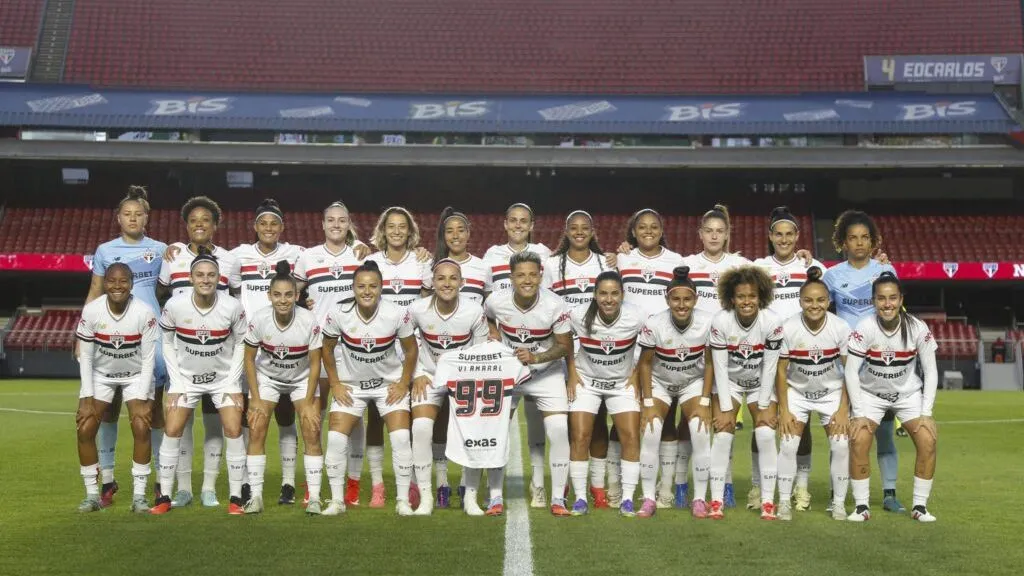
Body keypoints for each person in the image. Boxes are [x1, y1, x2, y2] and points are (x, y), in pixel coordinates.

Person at [81, 186, 167, 506]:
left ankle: (159, 480)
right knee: (107, 410)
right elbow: (94, 292)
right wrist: (82, 333)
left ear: (147, 218)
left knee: (151, 411)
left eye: (138, 214)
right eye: (127, 214)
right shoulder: (105, 250)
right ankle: (107, 479)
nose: (133, 218)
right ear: (118, 218)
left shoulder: (161, 250)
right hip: (109, 337)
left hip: (149, 338)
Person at [157, 196, 241, 509]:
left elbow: (235, 296)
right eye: (193, 221)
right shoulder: (173, 254)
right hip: (182, 355)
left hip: (218, 353)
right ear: (186, 226)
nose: (199, 225)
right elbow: (162, 292)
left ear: (215, 225)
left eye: (206, 220)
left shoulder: (229, 259)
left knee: (214, 422)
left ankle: (208, 487)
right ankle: (182, 487)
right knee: (182, 420)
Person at [320, 261, 419, 516]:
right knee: (335, 439)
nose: (367, 291)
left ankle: (402, 501)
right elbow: (327, 349)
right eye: (361, 286)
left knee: (400, 439)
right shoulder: (339, 313)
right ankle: (337, 501)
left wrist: (403, 382)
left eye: (373, 286)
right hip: (352, 386)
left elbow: (411, 349)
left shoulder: (396, 313)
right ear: (352, 288)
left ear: (381, 287)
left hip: (388, 386)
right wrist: (335, 383)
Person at [822, 210, 904, 514]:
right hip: (843, 367)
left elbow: (895, 311)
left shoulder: (885, 270)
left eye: (865, 237)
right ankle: (837, 496)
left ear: (873, 242)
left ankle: (889, 493)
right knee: (842, 433)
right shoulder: (832, 275)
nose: (859, 243)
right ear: (843, 242)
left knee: (882, 432)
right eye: (853, 238)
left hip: (880, 366)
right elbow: (819, 311)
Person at [292, 201, 369, 506]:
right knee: (314, 415)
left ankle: (352, 482)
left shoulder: (361, 254)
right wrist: (303, 304)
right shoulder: (307, 257)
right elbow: (293, 292)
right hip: (317, 345)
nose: (336, 225)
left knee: (354, 417)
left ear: (349, 224)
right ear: (322, 224)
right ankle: (313, 483)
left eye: (342, 220)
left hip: (352, 349)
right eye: (331, 220)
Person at [485, 251, 574, 516]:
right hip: (510, 372)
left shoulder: (555, 305)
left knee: (558, 429)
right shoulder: (495, 301)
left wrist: (535, 357)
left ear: (540, 275)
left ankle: (558, 498)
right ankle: (495, 497)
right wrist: (494, 335)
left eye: (532, 274)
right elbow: (489, 317)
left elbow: (565, 346)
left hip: (546, 373)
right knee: (497, 429)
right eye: (521, 275)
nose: (527, 280)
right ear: (511, 278)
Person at [845, 272, 938, 523]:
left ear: (900, 299)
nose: (887, 304)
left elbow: (930, 371)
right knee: (859, 439)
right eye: (881, 298)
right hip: (871, 395)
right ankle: (862, 507)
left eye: (892, 298)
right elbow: (851, 371)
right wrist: (859, 414)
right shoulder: (864, 327)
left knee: (928, 440)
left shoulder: (918, 328)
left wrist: (926, 413)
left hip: (907, 395)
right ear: (873, 301)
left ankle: (920, 506)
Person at [752, 206, 825, 512]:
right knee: (763, 422)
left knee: (800, 424)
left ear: (797, 236)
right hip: (764, 356)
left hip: (801, 359)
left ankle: (802, 487)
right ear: (770, 236)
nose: (783, 239)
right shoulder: (757, 268)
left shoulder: (814, 267)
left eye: (789, 234)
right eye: (778, 234)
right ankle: (758, 488)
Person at [231, 199, 304, 506]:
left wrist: (358, 247)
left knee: (286, 415)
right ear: (255, 226)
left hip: (286, 344)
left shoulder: (296, 253)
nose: (269, 228)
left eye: (275, 223)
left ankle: (288, 483)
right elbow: (233, 289)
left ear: (282, 227)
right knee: (252, 415)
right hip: (252, 345)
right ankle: (248, 481)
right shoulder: (238, 256)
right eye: (264, 223)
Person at [482, 203, 553, 509]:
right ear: (505, 224)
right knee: (496, 422)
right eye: (513, 220)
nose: (518, 225)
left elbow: (548, 298)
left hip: (539, 351)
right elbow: (486, 300)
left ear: (532, 224)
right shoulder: (492, 255)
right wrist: (493, 330)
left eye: (524, 221)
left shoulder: (545, 253)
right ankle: (493, 489)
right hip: (505, 353)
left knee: (537, 423)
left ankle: (538, 485)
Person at [682, 204, 752, 508]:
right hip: (692, 355)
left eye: (719, 231)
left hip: (727, 357)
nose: (714, 235)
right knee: (692, 424)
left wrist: (807, 257)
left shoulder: (740, 265)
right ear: (699, 234)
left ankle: (724, 484)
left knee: (722, 424)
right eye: (708, 231)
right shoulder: (684, 264)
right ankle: (683, 483)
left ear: (727, 235)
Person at [616, 208, 687, 509]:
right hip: (626, 348)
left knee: (666, 416)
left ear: (662, 230)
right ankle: (620, 481)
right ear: (632, 232)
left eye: (654, 226)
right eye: (641, 227)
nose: (648, 231)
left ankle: (666, 485)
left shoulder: (676, 261)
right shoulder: (621, 259)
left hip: (663, 347)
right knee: (625, 415)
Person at [242, 261, 325, 514]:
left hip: (302, 379)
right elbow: (248, 358)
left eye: (288, 294)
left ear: (297, 295)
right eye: (277, 295)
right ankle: (255, 496)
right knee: (256, 427)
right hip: (268, 377)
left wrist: (310, 402)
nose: (283, 300)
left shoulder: (308, 320)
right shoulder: (260, 319)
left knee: (311, 428)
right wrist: (255, 398)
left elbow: (315, 362)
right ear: (269, 296)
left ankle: (314, 498)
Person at [75, 263, 159, 513]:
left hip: (136, 376)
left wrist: (143, 399)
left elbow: (148, 359)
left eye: (123, 281)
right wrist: (86, 397)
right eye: (111, 280)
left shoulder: (144, 312)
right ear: (104, 283)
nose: (117, 286)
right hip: (101, 376)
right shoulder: (91, 312)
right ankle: (92, 495)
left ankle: (139, 496)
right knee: (85, 428)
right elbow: (87, 358)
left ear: (131, 284)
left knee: (142, 426)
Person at [363, 206, 432, 509]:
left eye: (402, 226)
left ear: (410, 230)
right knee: (375, 420)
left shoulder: (421, 263)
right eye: (391, 226)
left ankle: (414, 483)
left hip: (411, 349)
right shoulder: (371, 261)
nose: (396, 231)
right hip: (378, 352)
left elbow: (429, 305)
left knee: (414, 419)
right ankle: (378, 484)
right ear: (382, 229)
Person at [543, 210, 612, 507]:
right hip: (564, 350)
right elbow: (544, 306)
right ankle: (572, 481)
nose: (580, 232)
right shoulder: (550, 266)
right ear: (566, 231)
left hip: (599, 350)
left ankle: (597, 485)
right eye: (574, 228)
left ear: (593, 231)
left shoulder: (605, 263)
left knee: (598, 422)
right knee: (575, 421)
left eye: (586, 228)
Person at [408, 258, 489, 514]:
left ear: (462, 283)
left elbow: (481, 352)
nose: (447, 283)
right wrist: (418, 372)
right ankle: (427, 497)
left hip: (463, 377)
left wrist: (469, 381)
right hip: (429, 376)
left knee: (472, 431)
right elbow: (406, 346)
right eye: (441, 278)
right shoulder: (416, 309)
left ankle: (469, 493)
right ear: (432, 283)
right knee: (421, 427)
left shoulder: (474, 311)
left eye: (453, 278)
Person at [636, 266, 714, 518]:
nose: (681, 304)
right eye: (676, 299)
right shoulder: (654, 324)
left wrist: (704, 400)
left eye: (687, 299)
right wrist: (647, 401)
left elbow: (711, 362)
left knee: (700, 432)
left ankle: (700, 499)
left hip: (692, 381)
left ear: (696, 299)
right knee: (651, 430)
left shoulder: (707, 323)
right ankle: (648, 497)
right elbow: (645, 363)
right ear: (667, 298)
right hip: (660, 382)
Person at [773, 267, 851, 521]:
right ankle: (784, 501)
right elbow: (781, 370)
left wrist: (842, 409)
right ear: (800, 301)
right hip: (797, 392)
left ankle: (838, 503)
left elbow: (849, 371)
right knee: (788, 443)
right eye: (808, 300)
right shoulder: (788, 328)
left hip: (832, 393)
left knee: (840, 445)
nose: (814, 305)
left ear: (828, 302)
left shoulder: (840, 327)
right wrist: (783, 409)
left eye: (820, 300)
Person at [706, 265, 783, 520]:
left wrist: (763, 404)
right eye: (741, 296)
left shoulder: (772, 322)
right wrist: (727, 408)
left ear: (760, 296)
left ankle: (768, 502)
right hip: (730, 382)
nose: (746, 301)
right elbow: (719, 366)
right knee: (723, 434)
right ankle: (716, 501)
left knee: (764, 432)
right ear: (732, 298)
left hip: (761, 382)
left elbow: (771, 365)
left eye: (751, 296)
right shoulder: (720, 322)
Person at [566, 271, 645, 517]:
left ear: (622, 295)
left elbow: (652, 341)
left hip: (621, 384)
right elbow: (562, 336)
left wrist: (636, 373)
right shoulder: (578, 315)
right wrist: (571, 371)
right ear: (594, 295)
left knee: (631, 436)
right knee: (580, 436)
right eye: (603, 293)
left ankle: (628, 499)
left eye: (614, 293)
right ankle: (580, 498)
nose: (608, 299)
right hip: (587, 382)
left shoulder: (636, 317)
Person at [427, 208, 488, 508]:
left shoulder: (483, 267)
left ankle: (466, 481)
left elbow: (489, 310)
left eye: (460, 230)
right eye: (449, 230)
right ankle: (440, 482)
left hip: (471, 355)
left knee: (467, 420)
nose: (455, 235)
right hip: (437, 355)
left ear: (469, 233)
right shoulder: (431, 264)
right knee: (438, 420)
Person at [430, 341, 532, 516]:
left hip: (472, 416)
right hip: (487, 415)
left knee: (477, 447)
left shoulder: (450, 359)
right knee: (492, 446)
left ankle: (486, 497)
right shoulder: (509, 359)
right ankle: (475, 497)